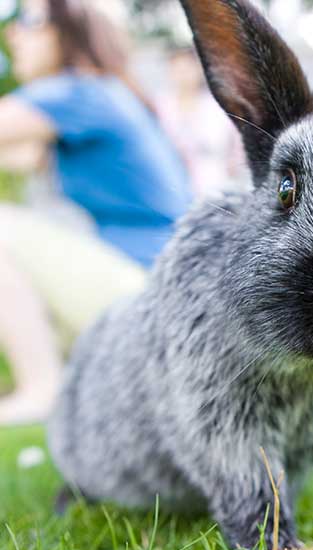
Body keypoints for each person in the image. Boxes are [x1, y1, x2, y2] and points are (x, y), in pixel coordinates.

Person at [0, 0, 191, 425]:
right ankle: (63, 391)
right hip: (151, 296)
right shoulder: (99, 95)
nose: (13, 34)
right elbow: (21, 155)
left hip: (144, 293)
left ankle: (41, 392)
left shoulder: (76, 91)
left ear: (65, 33)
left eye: (28, 21)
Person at [155, 47, 246, 199]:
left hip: (213, 180)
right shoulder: (161, 105)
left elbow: (236, 142)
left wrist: (233, 165)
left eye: (187, 68)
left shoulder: (216, 106)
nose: (182, 75)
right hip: (171, 179)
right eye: (176, 68)